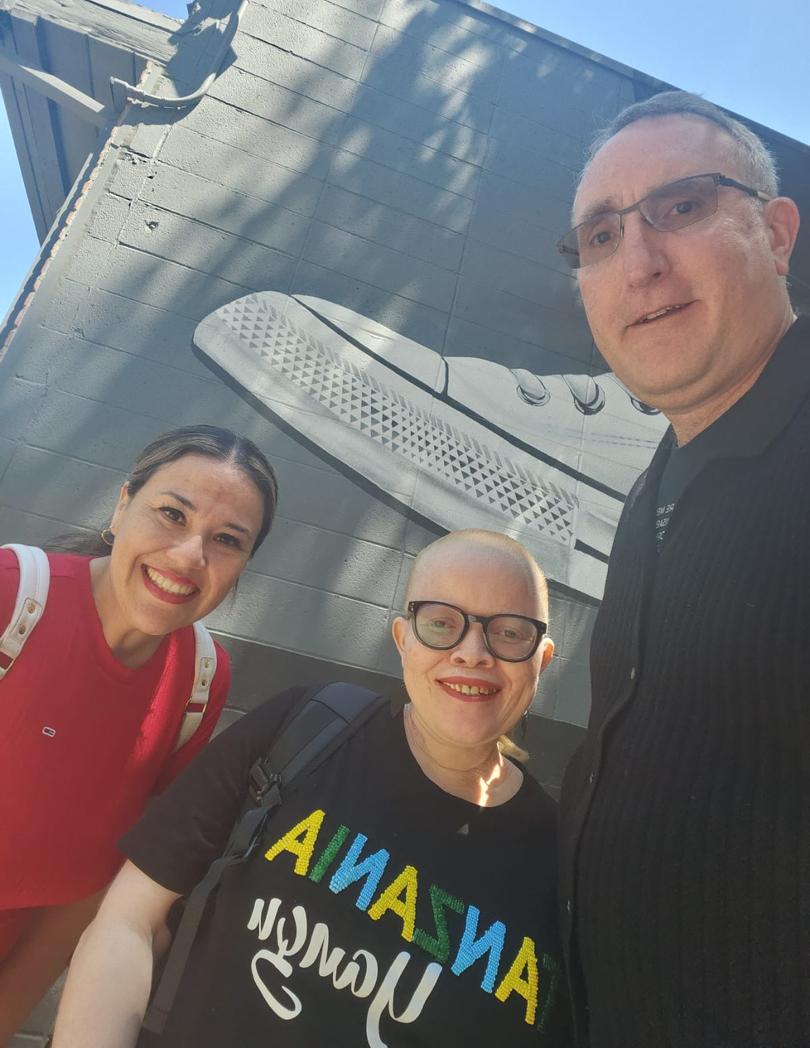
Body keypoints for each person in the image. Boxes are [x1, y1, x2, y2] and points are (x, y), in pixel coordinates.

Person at [52, 529, 570, 1047]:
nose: (472, 653)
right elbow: (131, 919)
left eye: (509, 632)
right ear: (403, 639)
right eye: (441, 623)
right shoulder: (306, 730)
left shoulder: (569, 862)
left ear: (541, 661)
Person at [555, 90, 805, 1047]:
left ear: (777, 234)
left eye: (684, 207)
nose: (641, 263)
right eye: (602, 235)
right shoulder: (652, 496)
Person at [0, 424, 278, 1044]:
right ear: (123, 503)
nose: (189, 557)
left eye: (227, 540)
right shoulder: (11, 593)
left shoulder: (202, 681)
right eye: (171, 514)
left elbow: (98, 885)